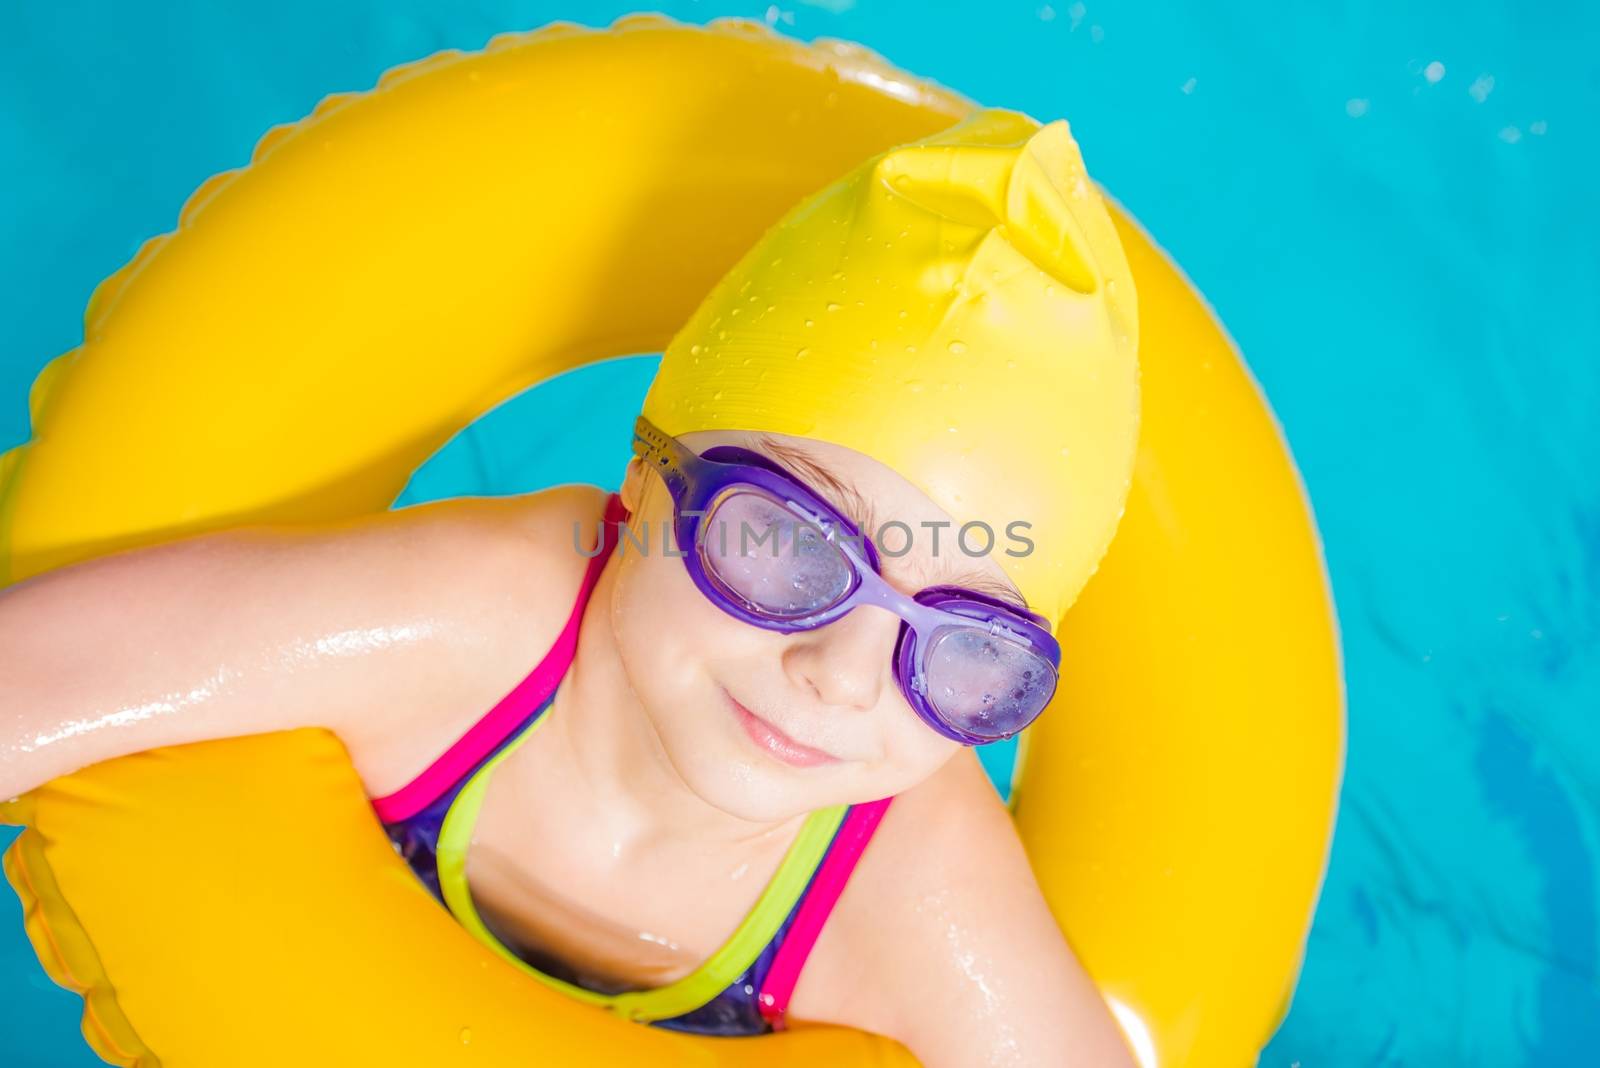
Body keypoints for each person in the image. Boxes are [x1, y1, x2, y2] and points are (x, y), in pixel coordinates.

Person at [0, 110, 1140, 1067]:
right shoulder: (472, 622)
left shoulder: (914, 879)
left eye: (965, 646)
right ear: (645, 478)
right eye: (793, 546)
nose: (840, 678)